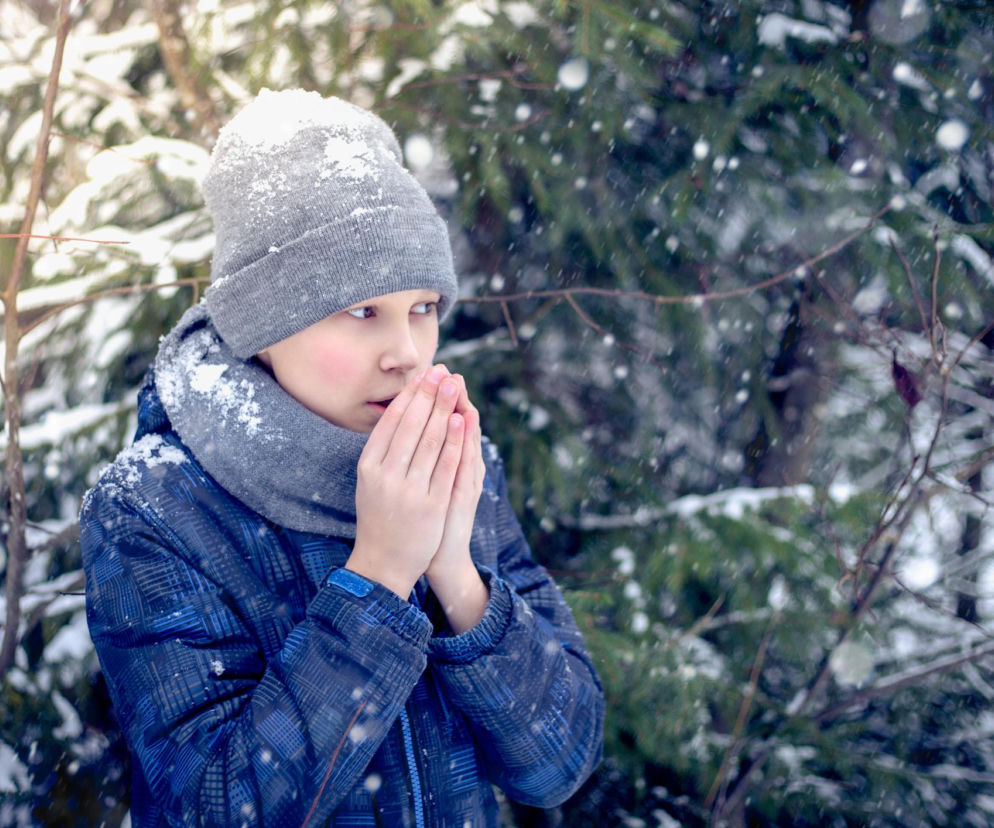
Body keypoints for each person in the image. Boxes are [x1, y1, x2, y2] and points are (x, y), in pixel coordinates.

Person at [80, 88, 604, 826]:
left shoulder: (449, 461)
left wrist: (455, 571)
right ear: (266, 321)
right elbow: (220, 809)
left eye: (423, 308)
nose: (407, 353)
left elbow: (559, 764)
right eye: (363, 312)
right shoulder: (158, 506)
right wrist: (380, 577)